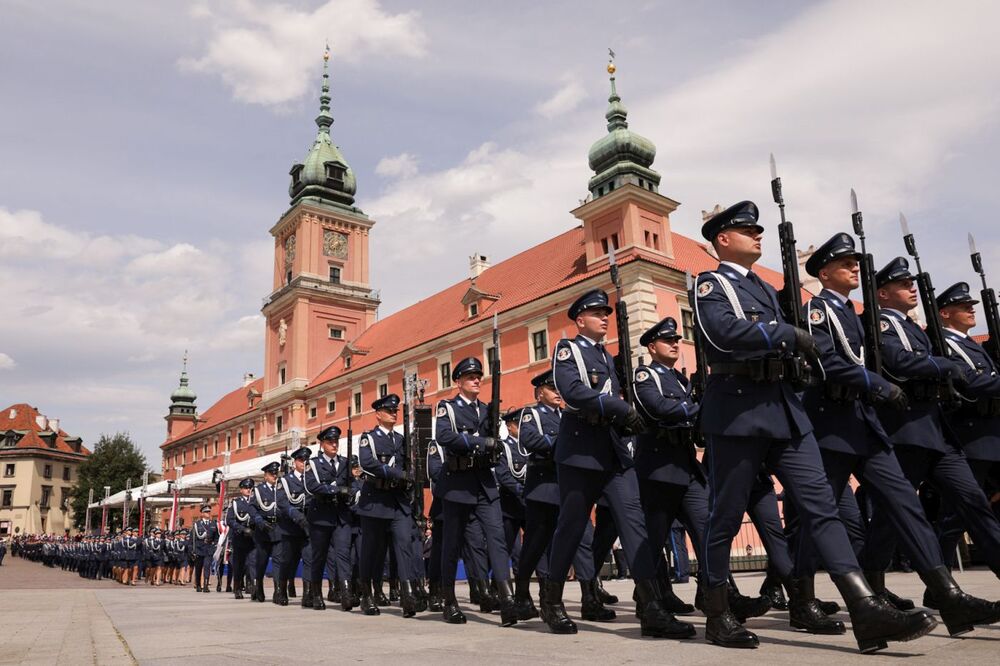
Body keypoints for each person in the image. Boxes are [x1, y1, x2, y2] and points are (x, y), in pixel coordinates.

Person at [692, 201, 934, 652]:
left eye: (760, 229)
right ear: (722, 239)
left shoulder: (764, 289)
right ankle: (718, 610)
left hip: (786, 411)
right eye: (748, 229)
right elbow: (721, 333)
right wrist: (786, 335)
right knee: (724, 515)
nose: (757, 234)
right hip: (738, 412)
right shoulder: (711, 282)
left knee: (822, 508)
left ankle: (864, 609)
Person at [793, 234, 1000, 637]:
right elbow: (829, 361)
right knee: (816, 517)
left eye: (856, 262)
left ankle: (949, 595)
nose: (854, 267)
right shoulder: (818, 309)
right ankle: (802, 599)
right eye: (845, 262)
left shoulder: (857, 314)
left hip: (866, 422)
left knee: (906, 506)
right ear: (823, 272)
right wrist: (876, 382)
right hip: (832, 425)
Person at [545, 289, 694, 638]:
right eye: (597, 313)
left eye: (606, 312)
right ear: (580, 319)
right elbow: (572, 392)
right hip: (580, 451)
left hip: (612, 453)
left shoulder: (608, 358)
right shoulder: (569, 350)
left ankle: (652, 608)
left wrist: (627, 420)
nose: (604, 317)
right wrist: (620, 408)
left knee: (635, 526)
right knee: (571, 527)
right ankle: (551, 601)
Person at [866, 260, 1000, 615]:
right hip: (905, 430)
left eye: (913, 283)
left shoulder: (919, 330)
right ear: (882, 293)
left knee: (974, 503)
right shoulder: (881, 323)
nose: (911, 288)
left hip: (937, 431)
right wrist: (943, 366)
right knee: (891, 515)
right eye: (903, 284)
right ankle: (872, 584)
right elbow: (897, 361)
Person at [513, 369, 614, 623]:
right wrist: (564, 444)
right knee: (536, 543)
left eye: (559, 388)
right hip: (544, 487)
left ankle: (589, 597)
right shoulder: (531, 414)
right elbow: (531, 440)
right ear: (539, 393)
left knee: (583, 539)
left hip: (570, 484)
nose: (558, 393)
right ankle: (522, 593)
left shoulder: (569, 414)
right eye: (551, 389)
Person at [433, 357, 518, 627]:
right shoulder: (448, 407)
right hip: (457, 483)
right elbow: (444, 436)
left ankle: (507, 600)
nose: (476, 380)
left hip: (484, 483)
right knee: (452, 544)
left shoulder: (486, 410)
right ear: (458, 381)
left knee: (497, 540)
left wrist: (494, 425)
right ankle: (449, 601)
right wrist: (481, 441)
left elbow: (497, 443)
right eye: (470, 376)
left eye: (479, 376)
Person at [936, 281, 1000, 579]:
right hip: (971, 436)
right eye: (964, 307)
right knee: (957, 515)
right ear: (945, 313)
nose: (971, 310)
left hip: (993, 433)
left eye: (972, 306)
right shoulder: (944, 343)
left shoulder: (973, 343)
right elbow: (970, 383)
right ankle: (940, 576)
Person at [357, 395, 422, 617]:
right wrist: (399, 474)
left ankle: (407, 595)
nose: (393, 413)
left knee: (404, 546)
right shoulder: (369, 438)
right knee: (372, 551)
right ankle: (366, 595)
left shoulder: (402, 439)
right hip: (375, 500)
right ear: (378, 414)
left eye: (395, 410)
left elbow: (409, 466)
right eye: (389, 410)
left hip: (397, 501)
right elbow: (368, 463)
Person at [304, 426, 355, 611]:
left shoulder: (345, 462)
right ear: (322, 443)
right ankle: (316, 594)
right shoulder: (313, 464)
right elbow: (311, 486)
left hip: (341, 515)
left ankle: (346, 593)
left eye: (336, 442)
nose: (334, 445)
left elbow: (353, 483)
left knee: (343, 554)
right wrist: (335, 490)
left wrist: (352, 493)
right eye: (330, 442)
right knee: (319, 556)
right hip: (321, 516)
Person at [277, 446, 314, 608]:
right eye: (301, 460)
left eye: (306, 460)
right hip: (291, 527)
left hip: (308, 527)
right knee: (287, 561)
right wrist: (297, 516)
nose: (304, 463)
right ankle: (281, 590)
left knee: (309, 559)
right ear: (295, 462)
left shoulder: (313, 479)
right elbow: (283, 503)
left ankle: (307, 595)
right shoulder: (285, 481)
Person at [226, 477, 256, 600]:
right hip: (240, 538)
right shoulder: (236, 503)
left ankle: (253, 587)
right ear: (241, 489)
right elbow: (230, 520)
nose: (248, 490)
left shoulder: (256, 502)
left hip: (253, 538)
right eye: (246, 488)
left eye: (250, 488)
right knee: (239, 565)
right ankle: (237, 588)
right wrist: (242, 529)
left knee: (252, 563)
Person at [191, 505, 219, 593]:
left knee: (207, 567)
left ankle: (206, 585)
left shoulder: (213, 524)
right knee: (198, 568)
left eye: (209, 512)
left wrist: (214, 545)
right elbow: (193, 538)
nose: (208, 513)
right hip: (199, 549)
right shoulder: (197, 524)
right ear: (202, 513)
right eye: (206, 512)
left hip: (209, 548)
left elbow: (216, 537)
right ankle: (198, 584)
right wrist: (193, 550)